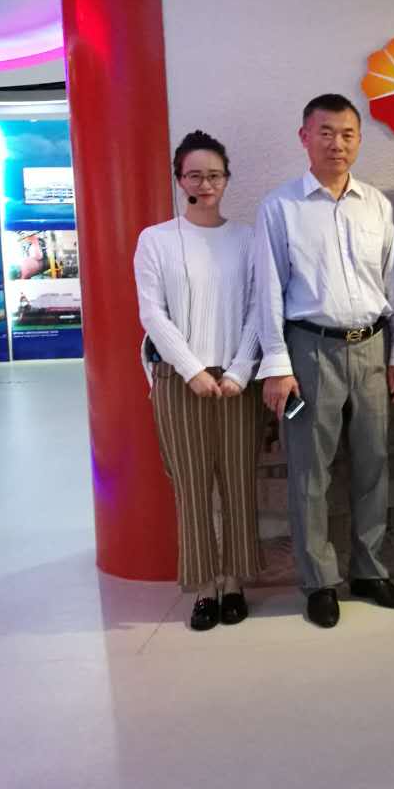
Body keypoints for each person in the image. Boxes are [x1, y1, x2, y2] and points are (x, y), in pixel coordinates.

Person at [255, 93, 394, 629]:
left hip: (371, 348)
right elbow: (267, 291)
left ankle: (369, 570)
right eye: (325, 132)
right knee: (309, 471)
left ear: (359, 139)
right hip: (309, 351)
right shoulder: (280, 207)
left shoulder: (376, 205)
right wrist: (277, 365)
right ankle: (319, 581)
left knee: (373, 462)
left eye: (347, 134)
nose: (337, 143)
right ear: (304, 137)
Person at [133, 129, 262, 631]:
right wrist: (191, 370)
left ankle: (235, 582)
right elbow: (152, 313)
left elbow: (259, 309)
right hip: (178, 380)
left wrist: (240, 370)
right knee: (191, 488)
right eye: (194, 176)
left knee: (238, 484)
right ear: (179, 179)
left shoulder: (248, 239)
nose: (205, 184)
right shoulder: (156, 240)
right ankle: (204, 587)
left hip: (236, 381)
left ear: (227, 179)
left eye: (214, 175)